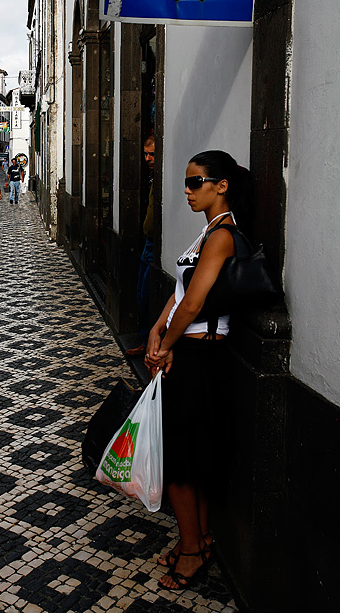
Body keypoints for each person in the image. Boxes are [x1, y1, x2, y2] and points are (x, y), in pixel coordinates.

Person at [145, 150, 253, 592]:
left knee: (181, 461)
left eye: (195, 182)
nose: (187, 191)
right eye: (186, 183)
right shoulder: (205, 233)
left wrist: (165, 347)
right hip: (183, 352)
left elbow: (195, 304)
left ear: (220, 185)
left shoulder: (223, 235)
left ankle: (191, 551)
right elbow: (180, 292)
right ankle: (200, 539)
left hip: (198, 357)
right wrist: (156, 328)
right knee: (191, 455)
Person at [126, 134, 155, 358]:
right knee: (139, 294)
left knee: (146, 295)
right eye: (145, 154)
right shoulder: (154, 176)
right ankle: (145, 342)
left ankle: (149, 345)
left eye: (151, 154)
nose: (147, 158)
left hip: (154, 245)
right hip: (148, 243)